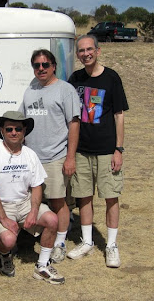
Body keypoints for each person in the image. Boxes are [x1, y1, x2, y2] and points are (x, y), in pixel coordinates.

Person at [0, 111, 65, 285]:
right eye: (9, 129)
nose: (14, 132)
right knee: (9, 240)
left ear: (24, 131)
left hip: (25, 202)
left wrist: (34, 211)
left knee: (52, 219)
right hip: (1, 205)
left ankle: (42, 265)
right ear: (2, 131)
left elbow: (36, 186)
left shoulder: (30, 154)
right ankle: (3, 255)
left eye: (18, 129)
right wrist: (3, 218)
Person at [67, 35, 129, 268]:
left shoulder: (111, 78)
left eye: (89, 49)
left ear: (98, 51)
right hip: (81, 150)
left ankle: (111, 245)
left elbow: (119, 115)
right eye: (81, 51)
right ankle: (87, 241)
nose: (85, 54)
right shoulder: (75, 78)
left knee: (110, 197)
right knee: (84, 196)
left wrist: (118, 149)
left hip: (106, 150)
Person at [19, 49, 80, 263]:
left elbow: (74, 124)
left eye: (45, 64)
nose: (41, 69)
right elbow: (22, 124)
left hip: (56, 156)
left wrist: (70, 157)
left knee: (57, 201)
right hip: (32, 158)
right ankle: (44, 234)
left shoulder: (65, 90)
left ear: (54, 66)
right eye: (37, 65)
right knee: (33, 200)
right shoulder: (30, 90)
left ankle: (60, 242)